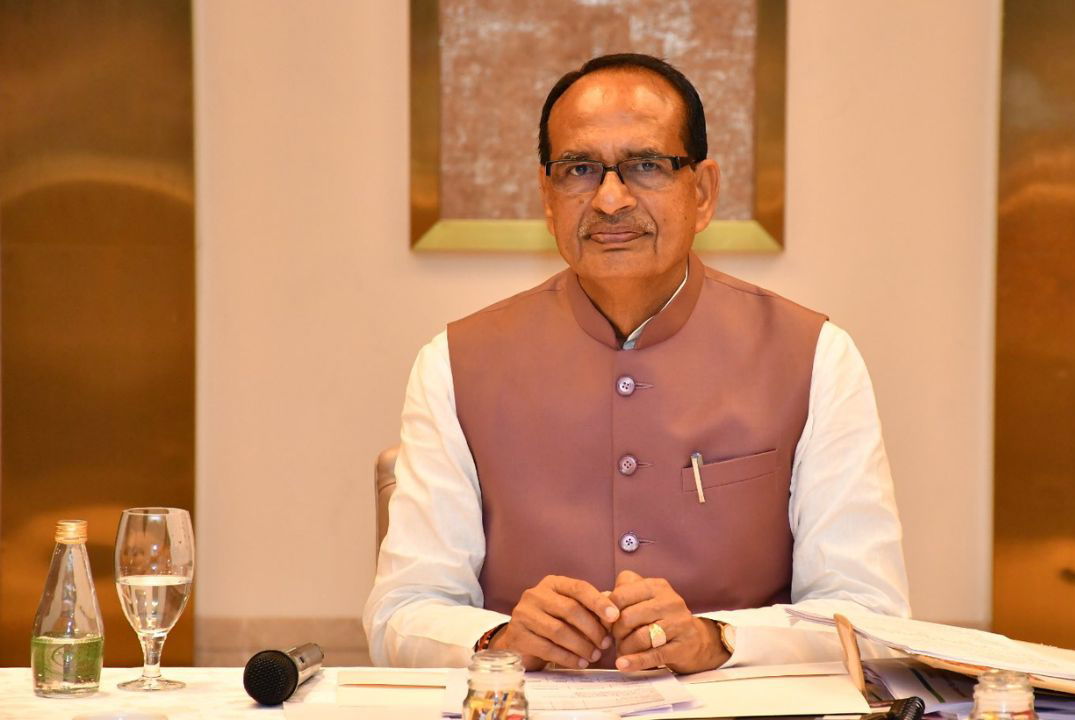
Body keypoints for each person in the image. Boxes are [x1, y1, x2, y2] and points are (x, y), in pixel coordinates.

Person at [364, 53, 909, 674]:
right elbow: (401, 612)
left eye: (646, 166)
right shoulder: (455, 364)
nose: (610, 199)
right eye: (579, 169)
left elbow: (871, 614)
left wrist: (721, 639)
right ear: (548, 197)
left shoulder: (815, 357)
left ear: (701, 192)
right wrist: (498, 641)